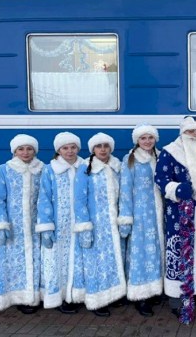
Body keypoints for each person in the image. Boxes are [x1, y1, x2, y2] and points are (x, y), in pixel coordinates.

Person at [155, 116, 196, 324]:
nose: (194, 135)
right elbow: (160, 179)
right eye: (190, 131)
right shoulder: (170, 151)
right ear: (183, 132)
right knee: (180, 251)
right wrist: (175, 189)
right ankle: (176, 296)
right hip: (181, 210)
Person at [0, 134, 44, 313]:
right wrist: (0, 223)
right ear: (14, 151)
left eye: (29, 149)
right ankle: (18, 297)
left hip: (36, 225)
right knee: (14, 262)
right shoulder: (4, 169)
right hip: (14, 226)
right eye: (21, 149)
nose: (25, 153)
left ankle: (35, 296)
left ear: (34, 150)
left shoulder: (42, 169)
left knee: (37, 260)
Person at [74, 132, 126, 317]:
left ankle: (114, 295)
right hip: (96, 225)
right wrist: (84, 226)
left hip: (114, 224)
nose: (103, 149)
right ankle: (97, 300)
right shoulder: (85, 168)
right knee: (96, 263)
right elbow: (79, 200)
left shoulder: (117, 166)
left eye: (106, 146)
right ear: (93, 150)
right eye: (98, 146)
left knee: (113, 260)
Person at [118, 124, 164, 317]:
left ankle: (154, 289)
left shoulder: (161, 157)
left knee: (156, 252)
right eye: (143, 138)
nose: (147, 141)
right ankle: (140, 296)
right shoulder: (130, 159)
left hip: (158, 215)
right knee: (141, 254)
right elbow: (125, 191)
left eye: (150, 138)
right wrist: (126, 218)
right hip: (140, 216)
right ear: (137, 140)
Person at [36, 132, 85, 313]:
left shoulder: (84, 167)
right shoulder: (50, 170)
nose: (70, 151)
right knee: (57, 261)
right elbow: (44, 198)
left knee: (78, 260)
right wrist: (46, 226)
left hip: (79, 223)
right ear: (59, 150)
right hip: (59, 224)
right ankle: (59, 298)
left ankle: (76, 295)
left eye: (73, 147)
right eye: (65, 148)